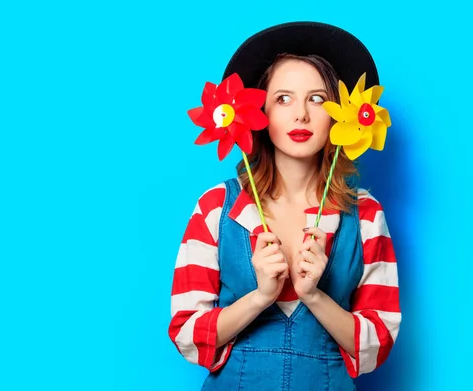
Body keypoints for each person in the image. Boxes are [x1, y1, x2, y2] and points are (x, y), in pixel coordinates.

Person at [168, 22, 401, 390]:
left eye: (318, 99)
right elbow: (188, 335)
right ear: (257, 114)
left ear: (341, 114)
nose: (301, 116)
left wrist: (315, 295)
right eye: (283, 98)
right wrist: (260, 297)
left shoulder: (366, 215)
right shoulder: (215, 207)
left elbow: (378, 343)